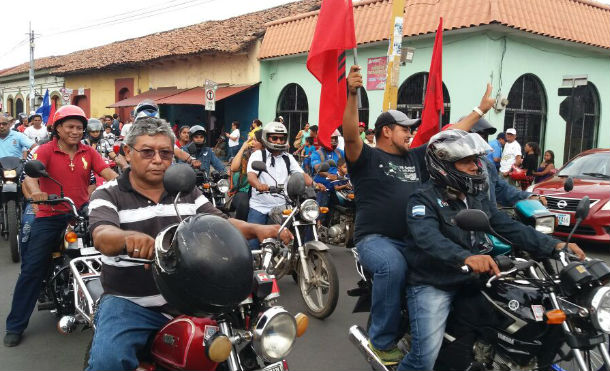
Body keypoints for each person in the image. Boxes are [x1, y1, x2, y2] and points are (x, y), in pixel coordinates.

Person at [84, 117, 292, 370]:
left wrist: (258, 229)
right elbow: (103, 234)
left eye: (165, 153)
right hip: (132, 303)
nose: (158, 160)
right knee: (108, 361)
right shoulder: (108, 193)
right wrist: (127, 238)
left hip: (191, 298)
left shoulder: (187, 191)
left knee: (235, 350)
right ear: (128, 152)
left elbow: (220, 222)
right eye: (147, 152)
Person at [342, 65, 496, 365]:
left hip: (416, 238)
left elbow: (449, 135)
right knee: (392, 267)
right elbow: (350, 136)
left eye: (412, 129)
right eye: (405, 129)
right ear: (386, 131)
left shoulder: (416, 157)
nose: (411, 133)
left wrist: (480, 109)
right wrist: (352, 94)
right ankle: (381, 341)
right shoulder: (367, 157)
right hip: (377, 239)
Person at [399, 129, 584, 371]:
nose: (476, 166)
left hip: (473, 279)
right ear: (443, 165)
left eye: (475, 160)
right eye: (467, 161)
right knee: (425, 357)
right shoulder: (422, 200)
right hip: (435, 281)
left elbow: (504, 224)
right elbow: (429, 239)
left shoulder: (474, 196)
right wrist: (465, 257)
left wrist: (555, 246)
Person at [3, 105, 118, 347]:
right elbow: (31, 179)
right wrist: (37, 195)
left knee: (113, 254)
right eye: (70, 127)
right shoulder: (44, 150)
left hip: (81, 213)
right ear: (57, 128)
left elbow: (108, 173)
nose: (75, 131)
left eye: (79, 127)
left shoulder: (88, 151)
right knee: (33, 268)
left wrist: (128, 185)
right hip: (50, 213)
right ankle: (15, 325)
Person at [246, 121, 313, 249]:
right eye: (274, 138)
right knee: (252, 245)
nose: (278, 141)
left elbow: (302, 175)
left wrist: (314, 183)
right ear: (266, 137)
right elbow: (251, 176)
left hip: (283, 207)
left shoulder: (288, 157)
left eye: (282, 138)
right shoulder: (258, 155)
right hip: (260, 206)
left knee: (291, 239)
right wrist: (259, 185)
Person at [468, 117, 545, 206]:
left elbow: (518, 161)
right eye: (507, 134)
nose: (509, 136)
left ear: (515, 136)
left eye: (511, 135)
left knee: (507, 193)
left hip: (508, 173)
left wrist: (529, 197)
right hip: (502, 171)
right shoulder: (505, 145)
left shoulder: (515, 146)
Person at [310, 129, 344, 223]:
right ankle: (316, 231)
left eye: (335, 138)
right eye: (331, 138)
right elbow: (317, 168)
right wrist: (329, 175)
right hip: (323, 187)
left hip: (338, 185)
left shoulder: (340, 152)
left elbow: (349, 164)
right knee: (319, 214)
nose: (334, 141)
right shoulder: (317, 153)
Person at [229, 130, 264, 221]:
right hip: (244, 191)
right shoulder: (247, 155)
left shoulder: (269, 157)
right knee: (244, 204)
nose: (252, 143)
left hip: (264, 193)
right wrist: (242, 148)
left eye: (255, 140)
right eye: (252, 140)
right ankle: (241, 229)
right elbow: (233, 168)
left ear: (263, 143)